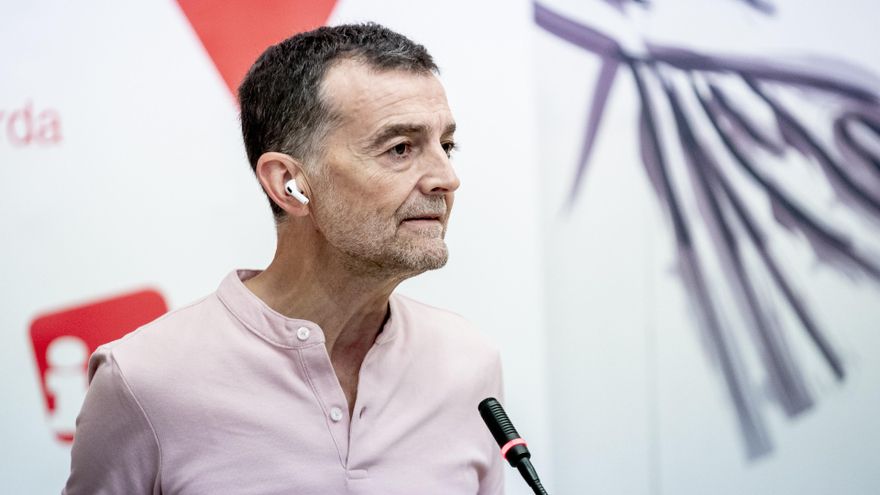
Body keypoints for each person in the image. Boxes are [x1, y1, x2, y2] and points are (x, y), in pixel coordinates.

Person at [62, 23, 504, 494]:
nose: (446, 178)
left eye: (447, 146)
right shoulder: (144, 380)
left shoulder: (468, 362)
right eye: (399, 148)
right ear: (289, 185)